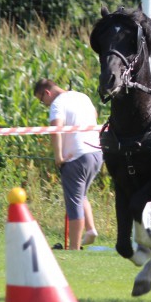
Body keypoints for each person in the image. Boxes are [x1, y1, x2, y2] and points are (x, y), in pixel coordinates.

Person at [34, 78, 103, 250]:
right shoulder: (82, 96)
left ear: (47, 93)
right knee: (81, 195)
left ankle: (74, 248)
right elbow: (94, 115)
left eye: (42, 100)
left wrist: (58, 157)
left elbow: (55, 130)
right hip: (96, 154)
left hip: (76, 157)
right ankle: (91, 229)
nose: (45, 105)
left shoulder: (57, 104)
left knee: (73, 203)